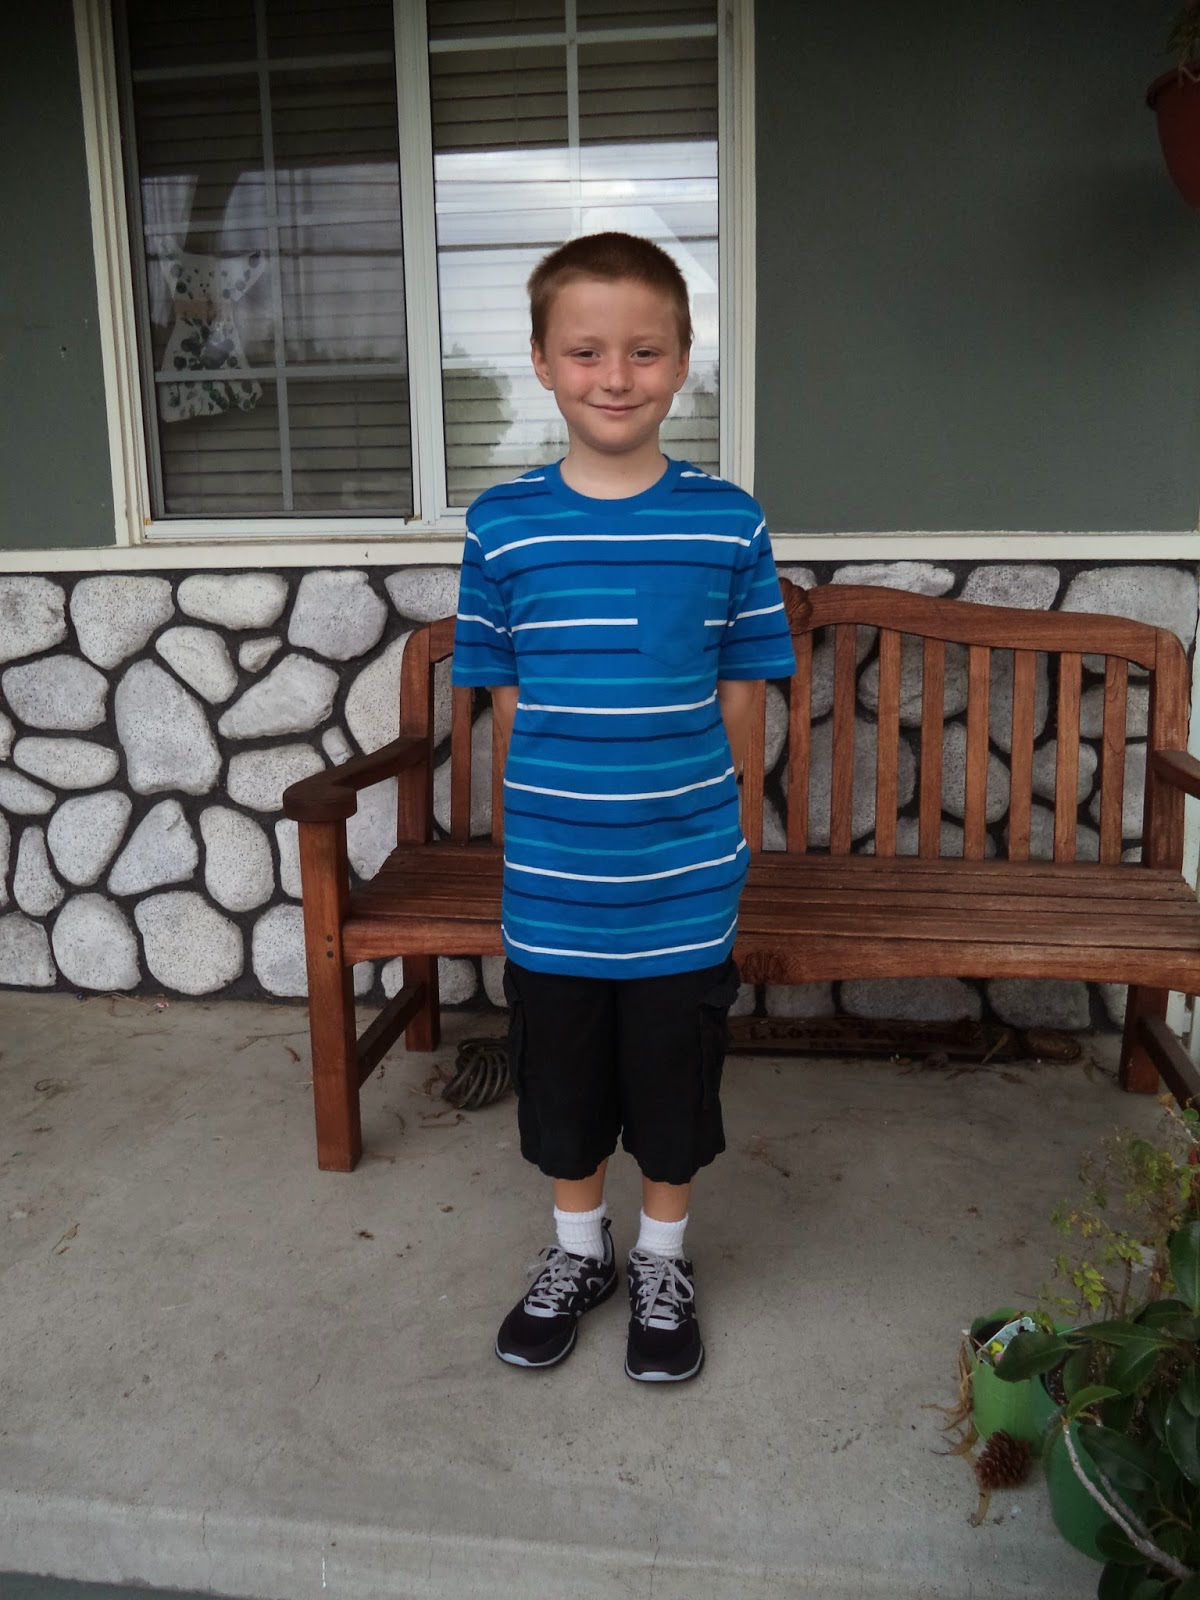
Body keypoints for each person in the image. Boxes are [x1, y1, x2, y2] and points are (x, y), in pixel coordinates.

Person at [452, 231, 796, 1383]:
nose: (615, 375)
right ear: (542, 362)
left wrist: (725, 829)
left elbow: (741, 693)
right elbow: (508, 699)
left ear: (683, 362)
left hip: (683, 881)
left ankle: (660, 1258)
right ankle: (577, 1251)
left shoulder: (729, 523)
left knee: (671, 1084)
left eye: (644, 351)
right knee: (562, 1085)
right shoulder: (502, 525)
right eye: (586, 350)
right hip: (555, 881)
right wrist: (533, 832)